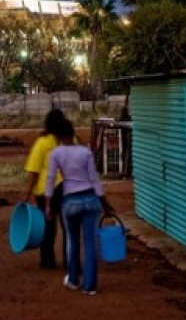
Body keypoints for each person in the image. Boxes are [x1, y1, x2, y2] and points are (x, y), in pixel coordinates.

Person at [45, 118, 114, 295]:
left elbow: (50, 180)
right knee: (90, 243)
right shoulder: (86, 152)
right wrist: (105, 204)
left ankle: (73, 279)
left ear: (58, 135)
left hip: (70, 201)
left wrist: (48, 205)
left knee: (72, 241)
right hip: (91, 200)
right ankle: (90, 287)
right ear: (73, 133)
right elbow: (94, 180)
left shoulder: (56, 153)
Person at [21, 108, 67, 269]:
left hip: (43, 191)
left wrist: (27, 192)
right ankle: (70, 260)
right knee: (67, 226)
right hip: (65, 189)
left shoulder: (41, 143)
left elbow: (33, 171)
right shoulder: (68, 139)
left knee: (48, 227)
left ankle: (47, 260)